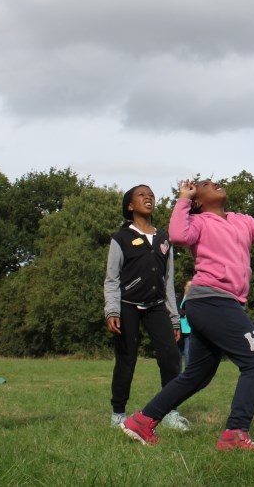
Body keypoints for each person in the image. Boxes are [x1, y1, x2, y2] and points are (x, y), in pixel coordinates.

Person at [120, 179, 254, 451]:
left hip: (219, 304)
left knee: (197, 374)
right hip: (211, 300)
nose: (215, 183)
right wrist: (183, 199)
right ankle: (235, 433)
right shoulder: (198, 222)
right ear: (198, 201)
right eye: (206, 183)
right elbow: (178, 236)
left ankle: (142, 421)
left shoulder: (243, 221)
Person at [104, 185, 189, 432]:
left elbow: (168, 281)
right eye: (141, 195)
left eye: (151, 194)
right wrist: (112, 311)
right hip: (127, 306)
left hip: (156, 306)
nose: (148, 197)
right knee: (126, 359)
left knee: (171, 357)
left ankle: (170, 412)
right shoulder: (121, 238)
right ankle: (118, 414)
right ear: (130, 206)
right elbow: (112, 279)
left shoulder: (164, 239)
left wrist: (174, 318)